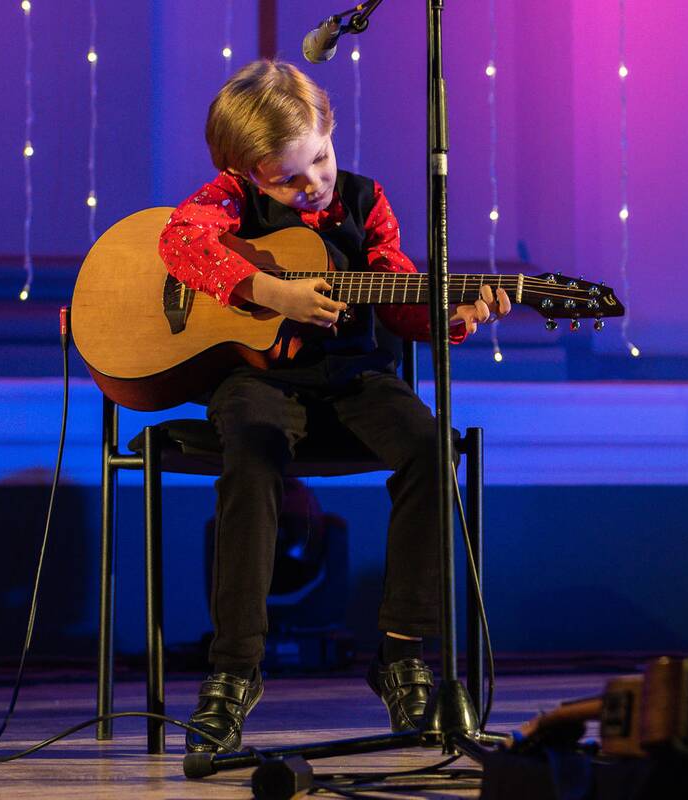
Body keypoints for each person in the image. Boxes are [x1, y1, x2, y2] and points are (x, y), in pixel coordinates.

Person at [158, 59, 511, 754]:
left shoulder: (365, 202)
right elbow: (179, 241)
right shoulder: (228, 197)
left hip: (354, 379)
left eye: (319, 159)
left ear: (330, 131)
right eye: (288, 179)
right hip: (257, 380)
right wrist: (270, 293)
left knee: (431, 448)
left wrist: (452, 316)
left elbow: (400, 300)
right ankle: (233, 672)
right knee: (253, 458)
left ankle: (402, 654)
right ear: (249, 174)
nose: (313, 183)